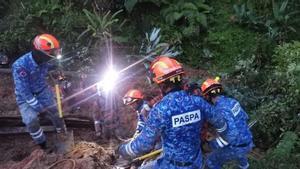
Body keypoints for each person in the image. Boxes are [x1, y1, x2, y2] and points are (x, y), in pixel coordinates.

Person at [118, 56, 227, 169]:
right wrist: (217, 142)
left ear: (162, 85)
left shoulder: (160, 110)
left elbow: (143, 145)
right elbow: (221, 123)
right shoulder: (199, 102)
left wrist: (123, 149)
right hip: (196, 163)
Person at [12, 34, 65, 149]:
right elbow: (24, 91)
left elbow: (50, 67)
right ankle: (43, 144)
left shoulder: (44, 61)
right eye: (51, 53)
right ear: (40, 52)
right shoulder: (20, 66)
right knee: (31, 121)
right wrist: (40, 108)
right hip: (25, 97)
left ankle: (61, 132)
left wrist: (57, 70)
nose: (53, 56)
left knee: (56, 112)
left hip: (42, 91)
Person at [201, 78, 254, 169]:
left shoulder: (219, 110)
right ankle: (244, 166)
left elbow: (232, 134)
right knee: (241, 153)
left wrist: (213, 142)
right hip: (248, 141)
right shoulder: (232, 101)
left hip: (236, 147)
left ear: (207, 96)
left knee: (211, 161)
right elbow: (245, 117)